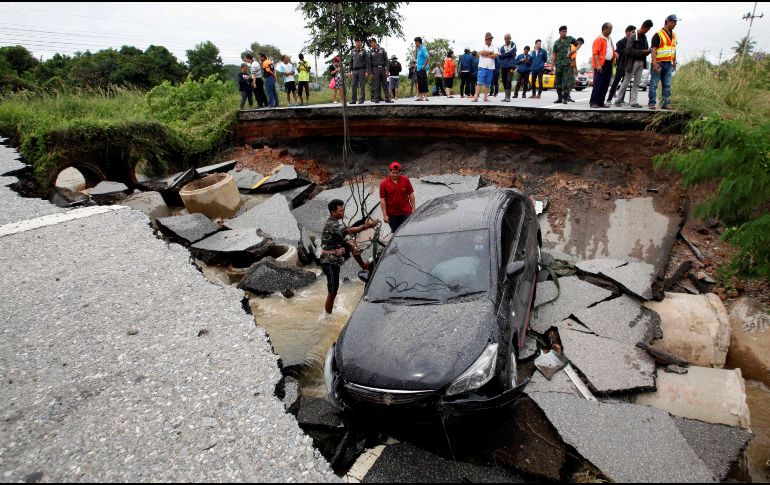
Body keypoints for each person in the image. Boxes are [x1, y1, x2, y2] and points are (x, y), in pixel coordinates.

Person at [321, 199, 380, 314]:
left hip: (335, 256)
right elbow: (348, 230)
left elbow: (347, 234)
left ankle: (364, 266)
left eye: (343, 210)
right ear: (333, 212)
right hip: (329, 262)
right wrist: (365, 226)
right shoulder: (332, 224)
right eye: (340, 210)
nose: (343, 213)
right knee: (332, 292)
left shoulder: (336, 222)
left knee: (352, 244)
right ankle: (327, 317)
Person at [616, 20, 653, 108]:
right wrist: (642, 52)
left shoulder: (644, 37)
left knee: (636, 83)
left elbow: (646, 49)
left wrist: (648, 51)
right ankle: (618, 101)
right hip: (632, 63)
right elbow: (628, 50)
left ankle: (633, 102)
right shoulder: (633, 36)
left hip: (641, 62)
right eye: (647, 29)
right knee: (626, 82)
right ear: (643, 27)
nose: (647, 31)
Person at [649, 14, 678, 110]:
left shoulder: (673, 35)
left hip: (668, 63)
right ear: (668, 22)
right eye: (674, 22)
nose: (675, 24)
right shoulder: (658, 34)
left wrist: (674, 62)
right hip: (659, 63)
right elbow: (653, 49)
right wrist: (654, 63)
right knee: (654, 83)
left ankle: (666, 103)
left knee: (667, 84)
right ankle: (652, 103)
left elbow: (673, 49)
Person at [379, 162, 415, 233]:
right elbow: (382, 200)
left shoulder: (405, 180)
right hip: (392, 215)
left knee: (409, 231)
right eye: (393, 173)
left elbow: (411, 194)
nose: (395, 175)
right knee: (396, 233)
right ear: (390, 172)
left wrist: (413, 209)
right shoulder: (383, 183)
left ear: (400, 172)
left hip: (406, 212)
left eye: (397, 173)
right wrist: (385, 215)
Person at [589, 22, 617, 108]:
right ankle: (593, 102)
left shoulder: (610, 39)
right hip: (601, 63)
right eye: (610, 28)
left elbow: (610, 50)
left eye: (611, 28)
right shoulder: (599, 39)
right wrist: (598, 65)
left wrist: (614, 54)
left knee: (605, 83)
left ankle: (601, 102)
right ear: (605, 29)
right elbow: (595, 53)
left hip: (609, 63)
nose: (611, 30)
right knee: (598, 83)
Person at [607, 25, 635, 104]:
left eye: (634, 32)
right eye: (632, 32)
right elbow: (618, 52)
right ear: (627, 32)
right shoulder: (620, 42)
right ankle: (609, 98)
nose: (633, 34)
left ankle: (621, 99)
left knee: (625, 83)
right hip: (621, 65)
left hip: (629, 65)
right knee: (616, 82)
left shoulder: (633, 42)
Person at [552, 26, 578, 104]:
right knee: (558, 81)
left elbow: (578, 44)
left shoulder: (570, 39)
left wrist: (572, 52)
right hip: (559, 64)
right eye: (563, 31)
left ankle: (565, 98)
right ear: (559, 32)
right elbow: (554, 53)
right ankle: (559, 98)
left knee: (566, 82)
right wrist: (552, 64)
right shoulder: (556, 42)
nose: (565, 33)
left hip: (567, 64)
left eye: (566, 31)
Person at [473, 33, 498, 102]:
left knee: (488, 84)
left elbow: (495, 55)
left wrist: (486, 54)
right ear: (485, 39)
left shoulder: (494, 47)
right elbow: (481, 52)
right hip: (482, 67)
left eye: (490, 38)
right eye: (488, 39)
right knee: (479, 83)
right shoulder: (482, 46)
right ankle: (476, 98)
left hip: (490, 68)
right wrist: (491, 53)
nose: (489, 40)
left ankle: (485, 98)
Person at [368, 38, 393, 103]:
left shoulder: (382, 50)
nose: (371, 45)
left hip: (382, 68)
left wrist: (387, 69)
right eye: (370, 44)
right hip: (375, 69)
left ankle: (387, 98)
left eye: (372, 43)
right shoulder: (371, 52)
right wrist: (370, 72)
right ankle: (377, 98)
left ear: (375, 43)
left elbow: (386, 61)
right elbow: (370, 63)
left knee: (385, 84)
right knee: (376, 84)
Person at [350, 37, 370, 104]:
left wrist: (367, 71)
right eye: (356, 42)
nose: (358, 43)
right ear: (355, 43)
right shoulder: (352, 51)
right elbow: (351, 61)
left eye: (359, 42)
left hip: (362, 70)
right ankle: (353, 100)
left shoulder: (364, 51)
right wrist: (349, 71)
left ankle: (361, 99)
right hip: (354, 71)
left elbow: (367, 62)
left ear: (361, 43)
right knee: (353, 85)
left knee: (362, 85)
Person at [498, 33, 517, 102]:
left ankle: (508, 97)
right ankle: (506, 96)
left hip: (511, 66)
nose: (507, 40)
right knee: (504, 81)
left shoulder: (513, 45)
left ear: (510, 38)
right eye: (505, 38)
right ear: (504, 39)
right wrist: (506, 54)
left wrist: (504, 54)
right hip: (503, 66)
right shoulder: (502, 47)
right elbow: (500, 56)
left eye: (508, 38)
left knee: (509, 80)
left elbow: (512, 52)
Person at [565, 37, 584, 102]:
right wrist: (575, 70)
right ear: (578, 42)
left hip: (568, 66)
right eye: (580, 44)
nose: (580, 46)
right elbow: (573, 59)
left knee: (569, 82)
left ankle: (567, 96)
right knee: (571, 82)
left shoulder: (571, 46)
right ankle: (566, 96)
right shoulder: (574, 47)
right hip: (569, 67)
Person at [414, 37, 431, 101]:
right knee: (419, 83)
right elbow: (415, 58)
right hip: (418, 68)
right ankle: (420, 97)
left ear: (418, 42)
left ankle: (426, 97)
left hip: (422, 68)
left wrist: (424, 65)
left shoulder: (423, 48)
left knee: (424, 82)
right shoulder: (418, 49)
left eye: (415, 42)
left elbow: (428, 57)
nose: (415, 44)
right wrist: (415, 49)